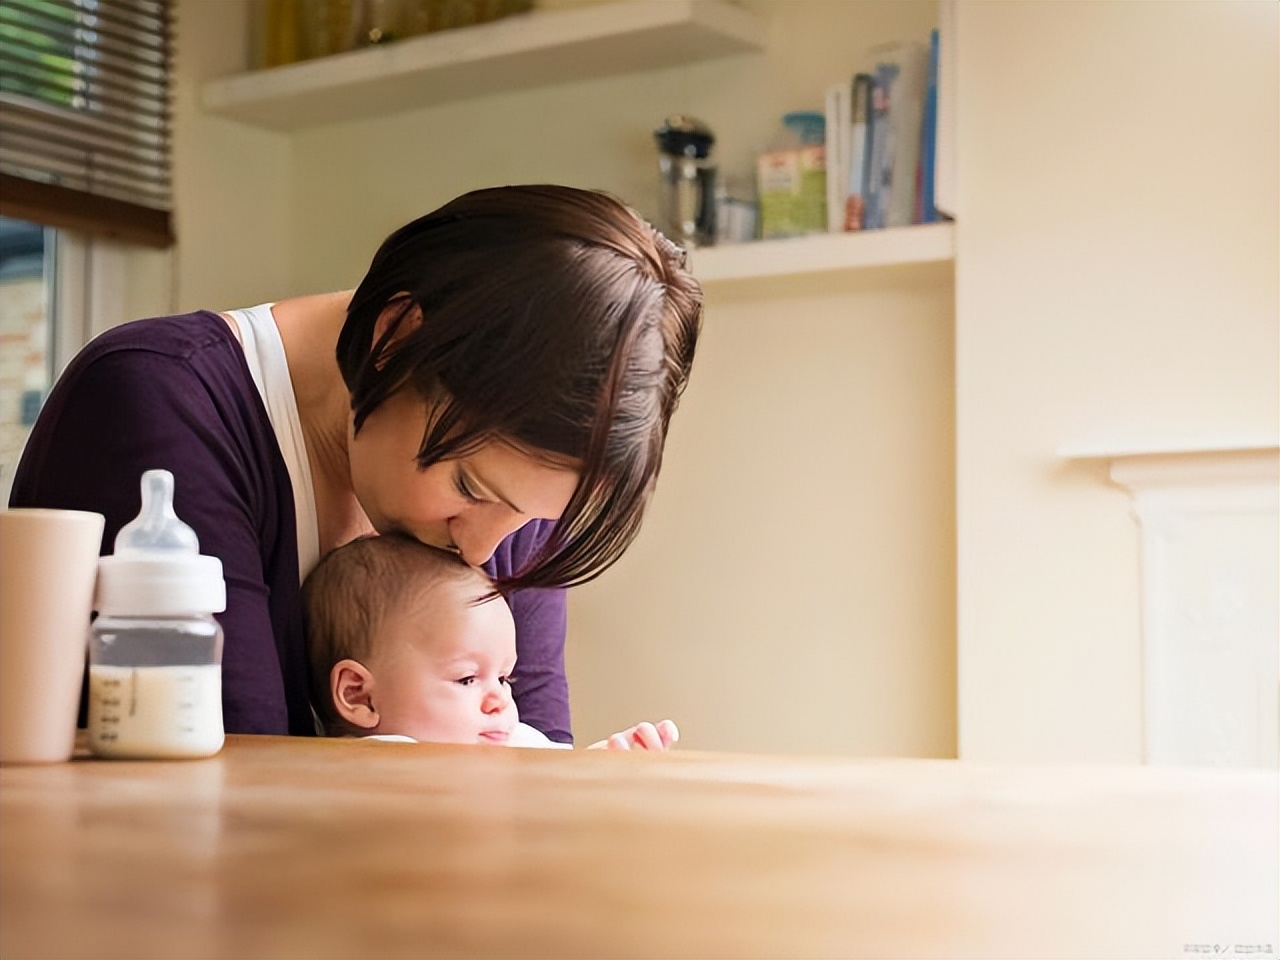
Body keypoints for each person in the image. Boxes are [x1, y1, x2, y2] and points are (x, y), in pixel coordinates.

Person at [9, 185, 702, 743]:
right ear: (394, 340)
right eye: (467, 488)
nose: (485, 550)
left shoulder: (520, 474)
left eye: (534, 518)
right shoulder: (162, 402)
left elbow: (533, 765)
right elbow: (236, 790)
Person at [304, 533, 678, 750]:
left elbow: (554, 776)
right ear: (360, 695)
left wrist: (605, 765)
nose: (500, 700)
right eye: (467, 678)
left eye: (504, 678)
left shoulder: (500, 738)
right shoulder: (376, 761)